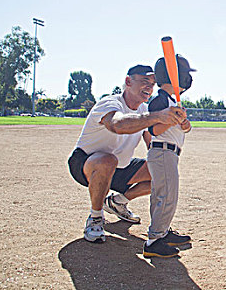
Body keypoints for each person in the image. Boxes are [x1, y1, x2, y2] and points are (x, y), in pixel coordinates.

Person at [67, 64, 187, 243]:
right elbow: (117, 125)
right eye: (145, 81)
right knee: (107, 160)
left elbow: (152, 144)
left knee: (160, 171)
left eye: (153, 83)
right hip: (87, 163)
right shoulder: (110, 103)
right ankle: (95, 218)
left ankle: (118, 202)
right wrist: (156, 117)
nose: (149, 87)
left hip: (121, 168)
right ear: (128, 81)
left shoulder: (144, 111)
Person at [142, 55, 196, 258]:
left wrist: (184, 124)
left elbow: (180, 128)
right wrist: (173, 120)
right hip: (162, 150)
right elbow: (154, 129)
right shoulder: (160, 100)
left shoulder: (172, 101)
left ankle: (162, 232)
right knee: (167, 196)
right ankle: (154, 241)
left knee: (161, 195)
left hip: (169, 153)